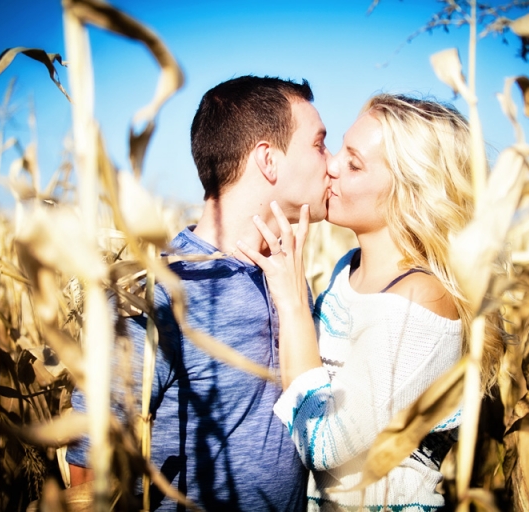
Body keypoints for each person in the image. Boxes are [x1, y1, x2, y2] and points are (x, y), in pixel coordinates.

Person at [66, 75, 331, 511]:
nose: (332, 163)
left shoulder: (288, 276)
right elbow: (88, 472)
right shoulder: (155, 295)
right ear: (269, 160)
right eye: (319, 145)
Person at [239, 94, 504, 511]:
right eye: (340, 149)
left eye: (355, 163)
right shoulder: (349, 269)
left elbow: (324, 443)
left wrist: (291, 301)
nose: (331, 165)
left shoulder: (422, 300)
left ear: (412, 190)